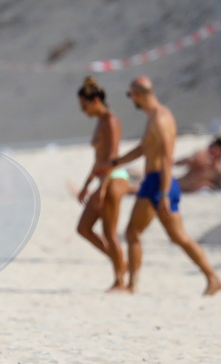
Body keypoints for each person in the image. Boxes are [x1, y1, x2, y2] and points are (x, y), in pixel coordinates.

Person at [96, 76, 221, 296]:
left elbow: (166, 158)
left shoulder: (161, 119)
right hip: (154, 182)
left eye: (131, 96)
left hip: (159, 183)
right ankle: (212, 279)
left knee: (144, 233)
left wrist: (164, 193)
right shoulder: (153, 116)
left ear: (138, 95)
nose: (131, 100)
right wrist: (115, 163)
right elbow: (143, 148)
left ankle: (133, 286)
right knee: (167, 235)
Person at [75, 76, 129, 291]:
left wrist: (103, 188)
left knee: (109, 232)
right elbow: (99, 159)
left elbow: (113, 157)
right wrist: (86, 185)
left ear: (96, 101)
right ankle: (121, 264)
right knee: (83, 228)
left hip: (115, 177)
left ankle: (120, 280)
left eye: (84, 106)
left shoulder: (110, 120)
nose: (82, 111)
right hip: (103, 178)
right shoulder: (100, 121)